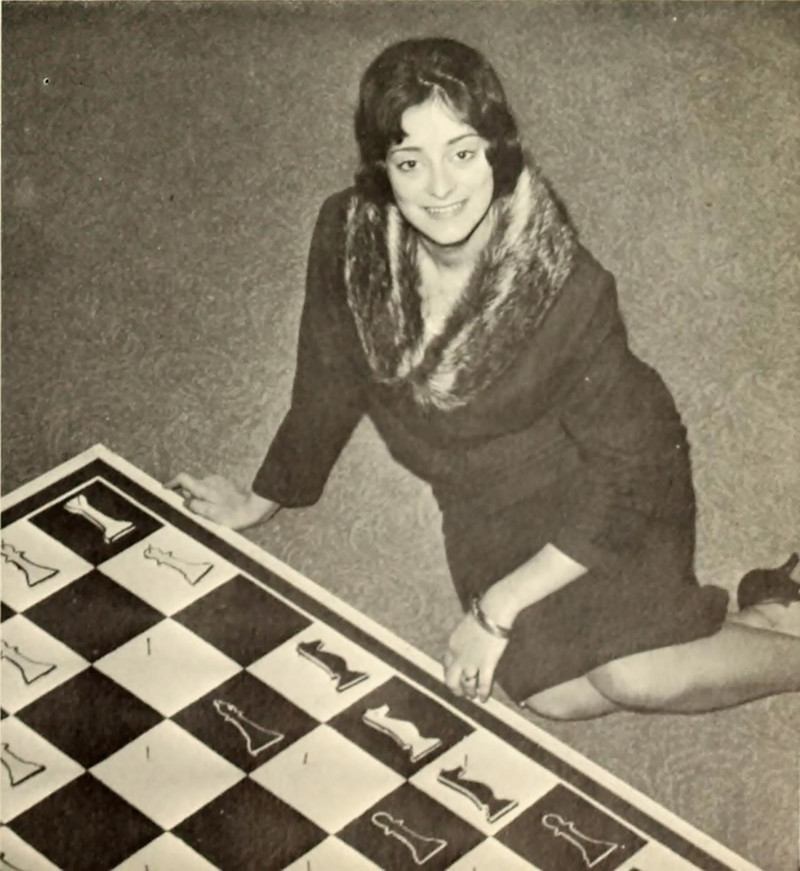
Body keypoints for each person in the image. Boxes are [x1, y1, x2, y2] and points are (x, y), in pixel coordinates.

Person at [168, 38, 800, 720]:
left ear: (497, 150)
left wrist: (497, 609)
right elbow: (325, 374)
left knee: (633, 677)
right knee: (556, 697)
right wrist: (264, 498)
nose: (440, 189)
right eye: (411, 162)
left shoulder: (568, 291)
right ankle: (772, 614)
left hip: (612, 478)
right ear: (383, 168)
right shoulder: (350, 237)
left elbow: (634, 470)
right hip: (486, 500)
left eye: (463, 154)